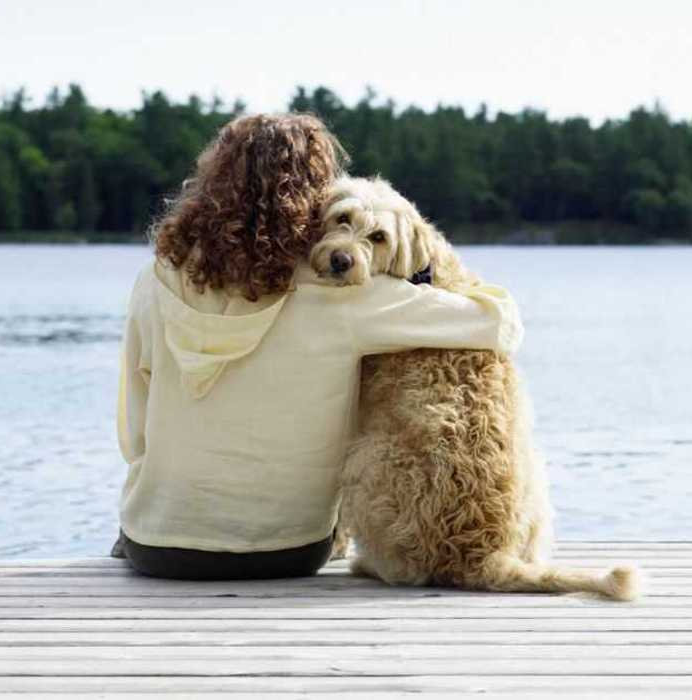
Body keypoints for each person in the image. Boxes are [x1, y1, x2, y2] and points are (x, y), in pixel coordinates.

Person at [115, 113, 522, 580]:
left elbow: (134, 430)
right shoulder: (347, 296)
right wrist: (429, 262)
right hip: (289, 550)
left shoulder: (154, 279)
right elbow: (499, 325)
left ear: (211, 182)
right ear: (312, 198)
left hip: (158, 546)